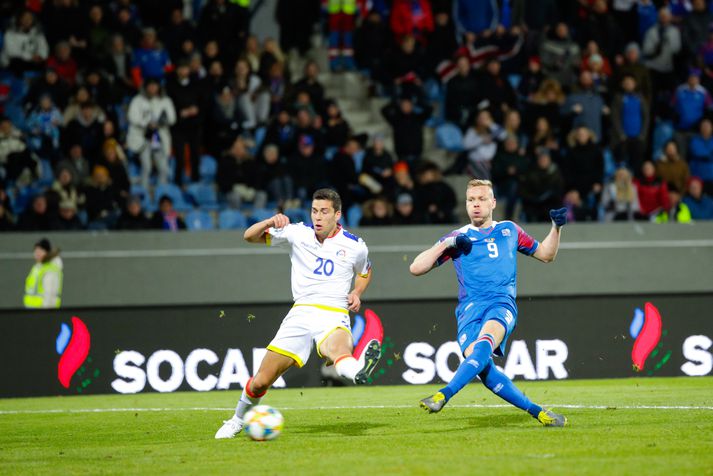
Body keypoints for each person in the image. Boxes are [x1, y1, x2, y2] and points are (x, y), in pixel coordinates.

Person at [215, 189, 382, 439]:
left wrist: (357, 292)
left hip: (334, 311)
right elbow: (249, 236)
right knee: (261, 381)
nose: (318, 216)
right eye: (314, 210)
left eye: (324, 212)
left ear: (337, 214)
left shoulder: (355, 245)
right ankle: (238, 419)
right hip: (301, 313)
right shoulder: (296, 233)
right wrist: (271, 221)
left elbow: (365, 272)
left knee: (338, 351)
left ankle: (359, 369)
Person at [410, 179, 568, 427]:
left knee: (485, 341)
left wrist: (556, 228)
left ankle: (443, 394)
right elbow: (416, 268)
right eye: (471, 200)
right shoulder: (458, 237)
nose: (476, 204)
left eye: (482, 199)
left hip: (500, 303)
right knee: (485, 371)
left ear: (493, 203)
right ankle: (539, 412)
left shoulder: (509, 230)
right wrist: (448, 244)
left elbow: (546, 254)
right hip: (468, 312)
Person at [24, 238, 63, 309]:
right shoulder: (37, 267)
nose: (37, 253)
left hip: (42, 312)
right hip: (32, 310)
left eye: (41, 250)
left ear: (47, 252)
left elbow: (50, 294)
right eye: (36, 250)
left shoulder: (50, 269)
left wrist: (45, 314)